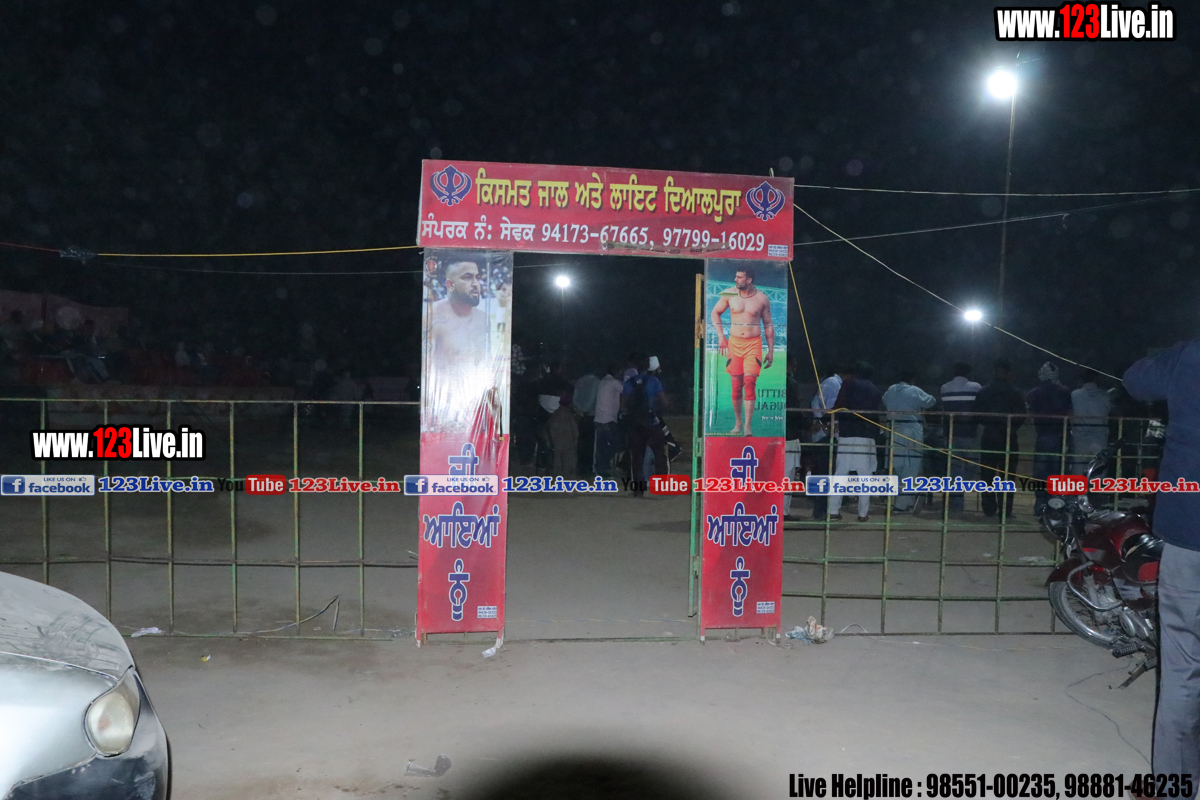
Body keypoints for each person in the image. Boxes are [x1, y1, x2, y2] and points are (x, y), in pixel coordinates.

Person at [1123, 339, 1200, 790]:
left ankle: (1176, 788)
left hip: (1191, 537)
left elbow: (1136, 380)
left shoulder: (1191, 356)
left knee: (1183, 669)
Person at [711, 265, 775, 436]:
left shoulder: (761, 298)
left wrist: (770, 350)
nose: (735, 279)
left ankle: (747, 426)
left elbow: (768, 325)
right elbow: (715, 313)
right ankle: (738, 422)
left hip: (753, 344)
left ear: (749, 280)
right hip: (735, 343)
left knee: (750, 383)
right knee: (736, 387)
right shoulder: (730, 294)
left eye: (739, 277)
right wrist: (721, 336)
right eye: (736, 276)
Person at [827, 362, 883, 522]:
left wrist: (828, 417)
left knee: (841, 473)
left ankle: (833, 510)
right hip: (868, 436)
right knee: (865, 476)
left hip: (848, 433)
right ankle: (863, 513)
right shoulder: (875, 389)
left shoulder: (849, 383)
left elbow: (840, 405)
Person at [974, 358, 1025, 519]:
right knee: (1007, 475)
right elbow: (1021, 416)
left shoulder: (984, 391)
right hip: (1008, 436)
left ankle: (989, 508)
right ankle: (1005, 509)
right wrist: (1011, 426)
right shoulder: (1015, 392)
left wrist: (990, 423)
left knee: (987, 474)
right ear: (1009, 373)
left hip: (989, 436)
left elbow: (977, 414)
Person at [882, 369, 936, 512]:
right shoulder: (914, 390)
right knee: (911, 467)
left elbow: (884, 400)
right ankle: (900, 505)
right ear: (912, 380)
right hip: (911, 432)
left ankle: (908, 500)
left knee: (897, 466)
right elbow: (931, 401)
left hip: (893, 431)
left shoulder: (891, 390)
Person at [1025, 361, 1073, 515]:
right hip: (1060, 436)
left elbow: (1030, 415)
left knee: (1041, 473)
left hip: (1043, 436)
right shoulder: (1065, 391)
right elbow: (1069, 413)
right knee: (1058, 472)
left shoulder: (1034, 393)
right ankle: (1056, 506)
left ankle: (1040, 505)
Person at [940, 362, 983, 515]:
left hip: (951, 433)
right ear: (968, 373)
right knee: (974, 465)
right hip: (970, 433)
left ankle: (956, 503)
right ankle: (961, 491)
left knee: (954, 469)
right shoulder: (976, 387)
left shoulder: (945, 388)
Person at [621, 354, 666, 497]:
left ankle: (638, 490)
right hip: (650, 422)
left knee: (637, 457)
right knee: (659, 453)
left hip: (635, 424)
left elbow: (623, 405)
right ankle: (661, 486)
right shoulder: (654, 381)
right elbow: (664, 402)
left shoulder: (630, 382)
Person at [806, 363, 842, 520]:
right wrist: (824, 423)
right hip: (825, 435)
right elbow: (822, 405)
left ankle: (820, 509)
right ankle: (820, 510)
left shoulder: (831, 383)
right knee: (825, 473)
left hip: (824, 434)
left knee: (823, 473)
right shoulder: (833, 383)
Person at [1071, 369, 1111, 473]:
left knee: (1079, 471)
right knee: (1099, 470)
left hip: (1080, 439)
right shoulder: (1105, 396)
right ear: (1096, 379)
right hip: (1099, 438)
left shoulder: (1075, 395)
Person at [592, 364, 624, 477]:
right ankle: (603, 464)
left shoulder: (602, 381)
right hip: (608, 418)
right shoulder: (614, 382)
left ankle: (601, 469)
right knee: (617, 444)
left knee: (602, 446)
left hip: (599, 418)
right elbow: (626, 391)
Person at [573, 366, 601, 476]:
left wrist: (580, 411)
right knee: (590, 444)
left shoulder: (580, 380)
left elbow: (575, 398)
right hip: (590, 415)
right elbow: (592, 398)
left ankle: (580, 466)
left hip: (580, 415)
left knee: (581, 442)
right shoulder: (596, 381)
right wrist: (585, 411)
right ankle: (588, 469)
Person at [548, 391, 579, 478]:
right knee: (568, 467)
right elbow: (575, 433)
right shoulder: (568, 416)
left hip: (556, 444)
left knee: (558, 465)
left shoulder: (555, 414)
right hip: (568, 445)